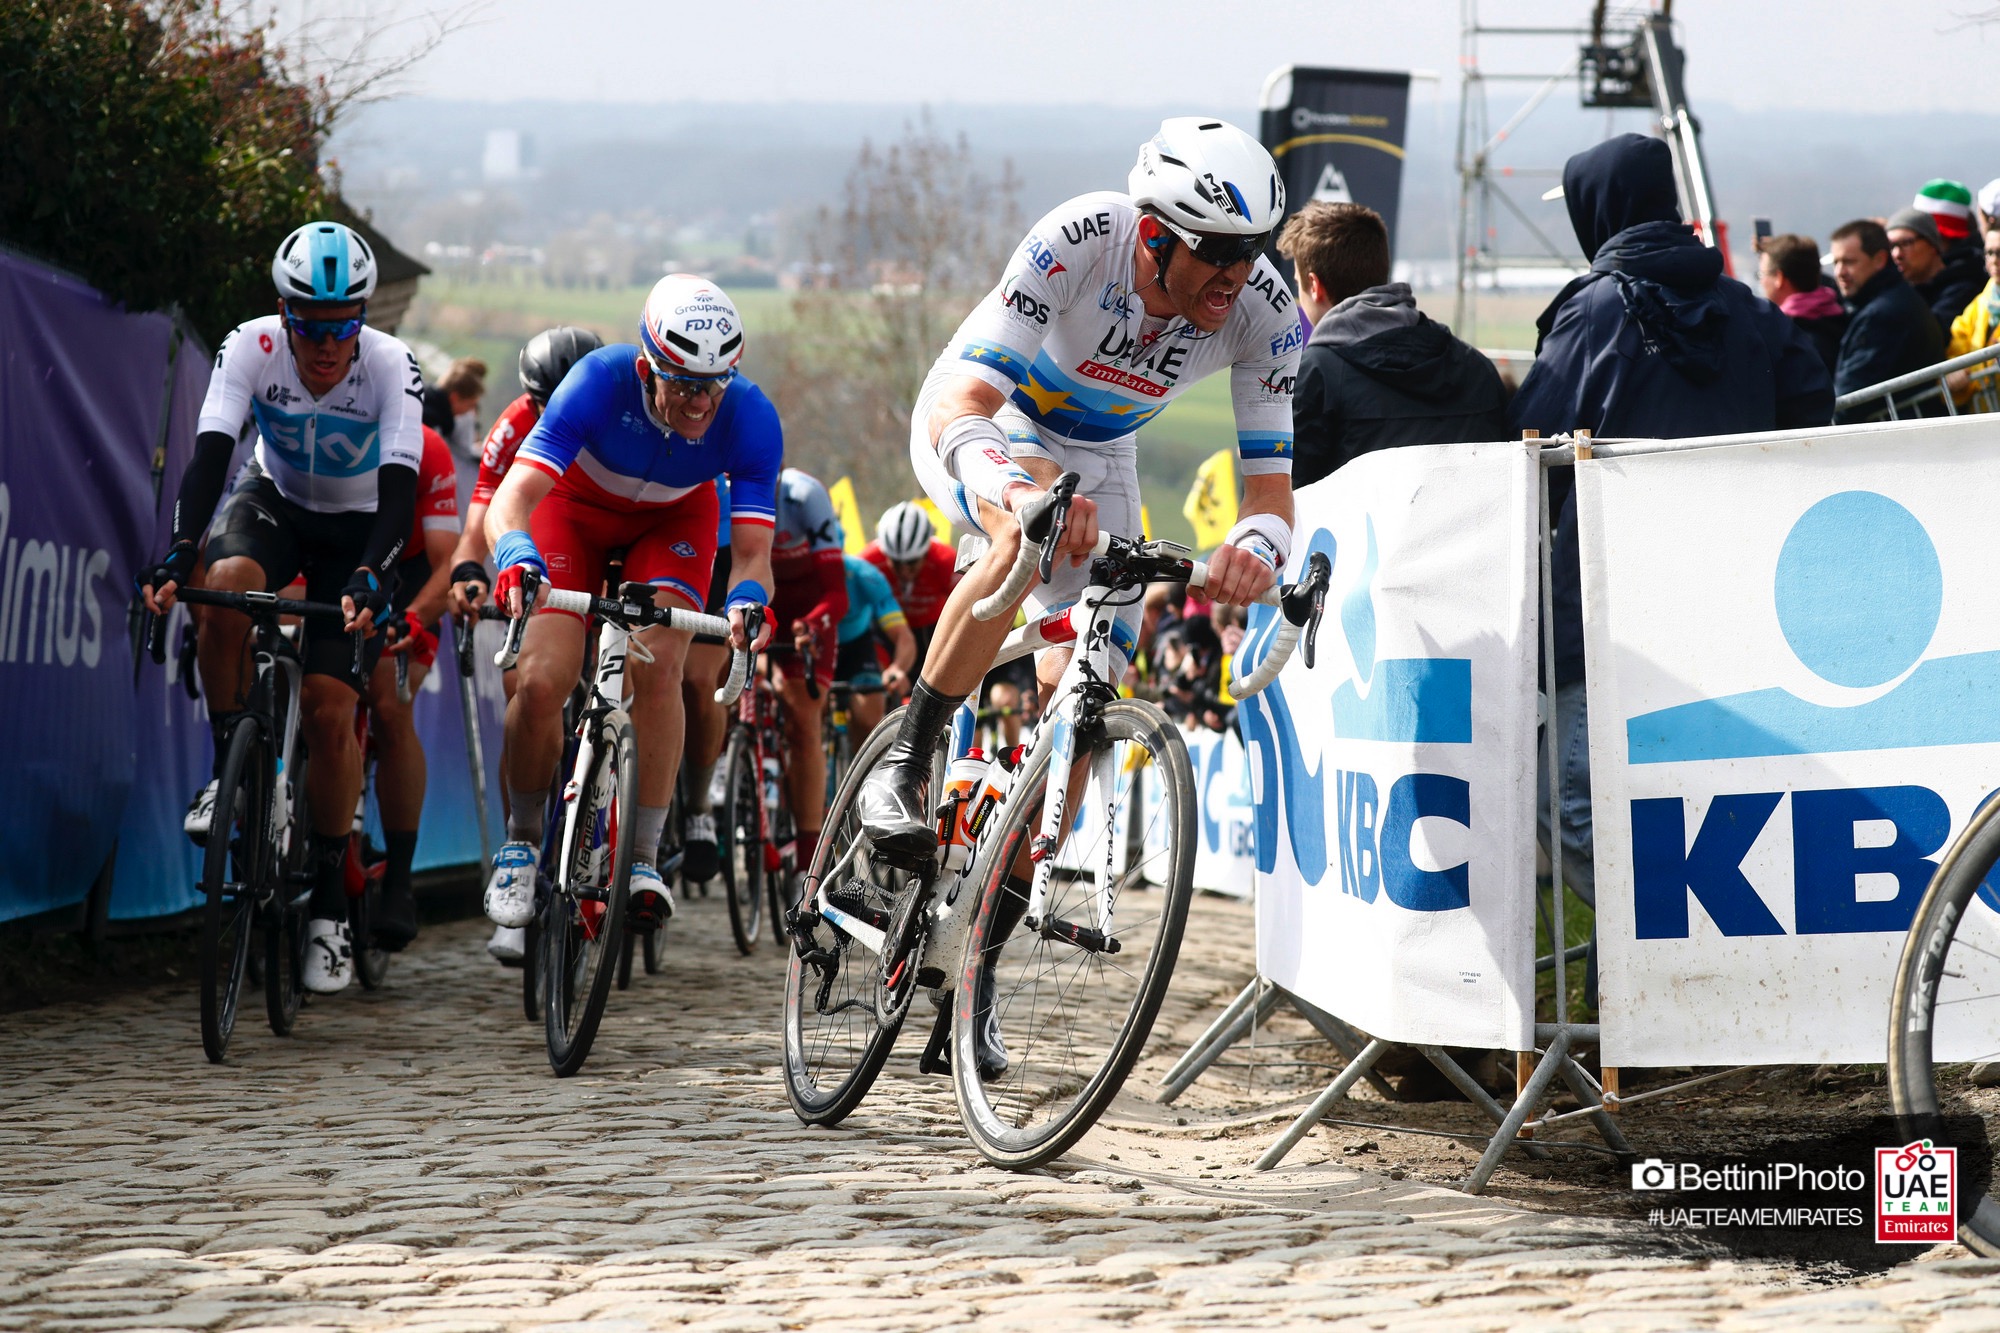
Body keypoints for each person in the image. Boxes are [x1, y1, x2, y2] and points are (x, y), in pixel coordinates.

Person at [855, 115, 1297, 868]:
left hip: (1103, 448)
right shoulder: (1080, 240)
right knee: (1025, 537)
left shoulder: (1266, 313)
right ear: (1157, 237)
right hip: (993, 414)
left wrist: (1253, 552)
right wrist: (1022, 493)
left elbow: (1271, 496)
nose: (1239, 272)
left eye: (1255, 247)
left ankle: (987, 936)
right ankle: (903, 764)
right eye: (1220, 250)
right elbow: (963, 409)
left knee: (1088, 691)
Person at [1511, 133, 1833, 911]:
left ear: (1599, 211)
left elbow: (1524, 447)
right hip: (1735, 601)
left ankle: (1655, 954)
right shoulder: (1747, 310)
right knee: (1706, 797)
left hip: (1606, 609)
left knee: (1572, 805)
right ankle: (1680, 964)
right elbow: (1812, 402)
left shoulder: (1587, 314)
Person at [141, 220, 423, 994]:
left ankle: (332, 897)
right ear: (282, 312)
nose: (327, 346)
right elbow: (208, 456)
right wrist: (177, 549)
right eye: (310, 326)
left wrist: (371, 573)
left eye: (342, 327)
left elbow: (400, 495)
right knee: (222, 584)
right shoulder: (251, 346)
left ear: (362, 319)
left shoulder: (393, 365)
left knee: (334, 711)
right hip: (276, 502)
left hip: (360, 532)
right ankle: (227, 762)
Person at [480, 276, 780, 936]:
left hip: (674, 522)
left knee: (661, 666)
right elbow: (512, 500)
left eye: (715, 383)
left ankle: (642, 855)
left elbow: (754, 554)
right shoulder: (597, 381)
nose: (702, 402)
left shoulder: (750, 415)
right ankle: (522, 840)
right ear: (647, 368)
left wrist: (747, 601)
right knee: (539, 680)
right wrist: (516, 556)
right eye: (684, 383)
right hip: (573, 514)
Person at [446, 326, 604, 963]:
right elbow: (485, 506)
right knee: (528, 688)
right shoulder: (515, 425)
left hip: (616, 536)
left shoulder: (619, 410)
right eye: (541, 403)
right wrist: (467, 570)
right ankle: (526, 855)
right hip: (550, 536)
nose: (551, 415)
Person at [1275, 201, 1507, 486]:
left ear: (1314, 285)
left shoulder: (1316, 375)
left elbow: (1287, 501)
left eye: (1298, 283)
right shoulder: (1475, 368)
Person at [362, 422, 463, 950]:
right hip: (339, 558)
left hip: (411, 574)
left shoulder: (428, 445)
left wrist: (417, 617)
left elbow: (449, 561)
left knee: (388, 707)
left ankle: (399, 880)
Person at [763, 468, 850, 875]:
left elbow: (837, 594)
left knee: (802, 717)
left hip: (808, 612)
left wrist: (812, 624)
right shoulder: (723, 490)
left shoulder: (805, 497)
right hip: (758, 605)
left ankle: (806, 857)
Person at [1830, 218, 1944, 423]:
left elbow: (1850, 399)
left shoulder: (1883, 315)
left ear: (1880, 260)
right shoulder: (1892, 301)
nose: (1840, 272)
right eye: (1836, 262)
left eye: (1849, 261)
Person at [862, 502, 959, 673]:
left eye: (912, 563)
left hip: (932, 632)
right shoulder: (868, 561)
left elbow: (967, 608)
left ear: (925, 552)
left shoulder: (945, 560)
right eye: (896, 563)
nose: (905, 572)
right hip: (886, 632)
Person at [835, 552, 916, 748]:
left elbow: (903, 636)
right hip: (815, 645)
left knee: (869, 718)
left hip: (857, 646)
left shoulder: (865, 575)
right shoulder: (796, 574)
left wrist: (897, 668)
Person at [1886, 204, 1983, 340]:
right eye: (1891, 246)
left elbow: (1930, 336)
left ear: (1933, 244)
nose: (1897, 254)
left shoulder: (1963, 289)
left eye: (1906, 243)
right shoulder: (1895, 293)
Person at [1756, 233, 1847, 377]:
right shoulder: (1841, 312)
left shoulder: (1786, 335)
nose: (1761, 281)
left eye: (1761, 274)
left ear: (1779, 278)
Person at [1944, 227, 2000, 404]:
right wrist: (1952, 375)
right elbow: (1957, 346)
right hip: (1987, 419)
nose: (1995, 260)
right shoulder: (1978, 305)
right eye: (1989, 253)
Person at [425, 356, 488, 459]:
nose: (470, 411)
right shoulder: (430, 420)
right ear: (455, 398)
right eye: (470, 405)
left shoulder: (429, 405)